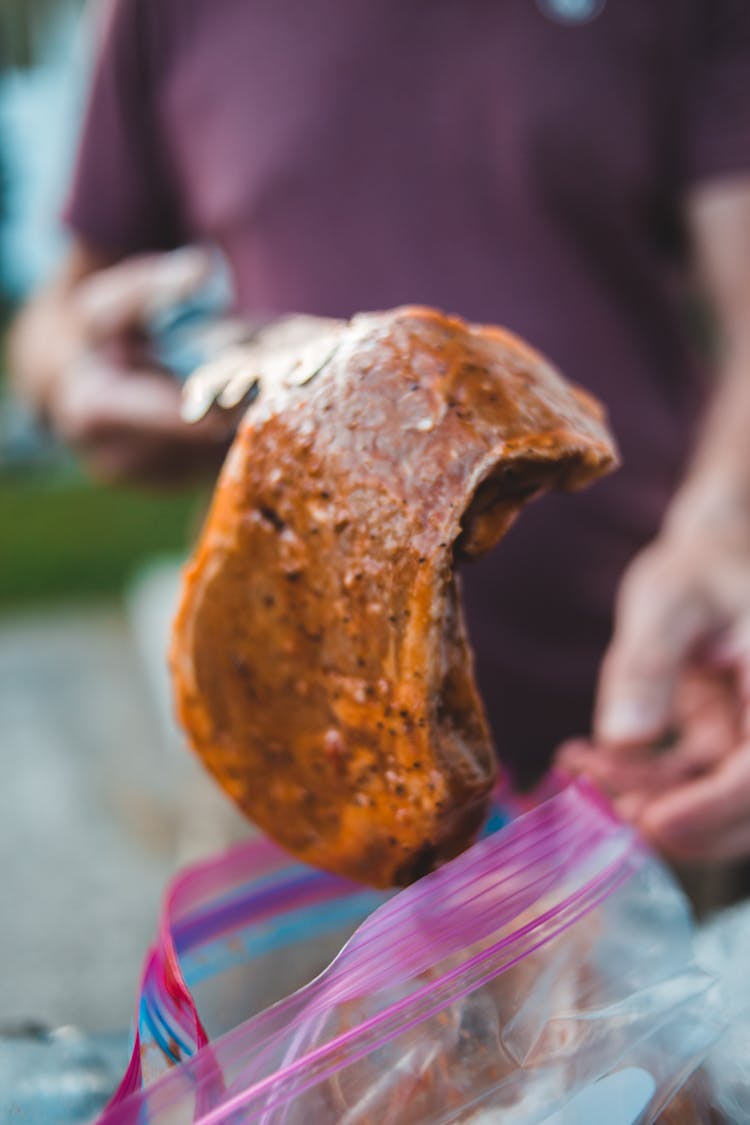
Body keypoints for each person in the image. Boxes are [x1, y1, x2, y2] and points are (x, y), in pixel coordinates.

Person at [9, 0, 750, 870]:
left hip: (650, 722)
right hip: (302, 751)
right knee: (291, 1002)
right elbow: (62, 306)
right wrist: (68, 373)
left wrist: (723, 529)